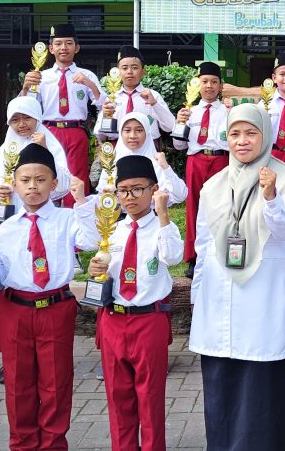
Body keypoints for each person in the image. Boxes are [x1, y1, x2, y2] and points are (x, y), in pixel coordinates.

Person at [188, 104, 285, 451]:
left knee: (262, 384)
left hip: (265, 296)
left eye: (251, 133)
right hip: (219, 294)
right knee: (222, 381)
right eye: (235, 133)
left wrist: (271, 198)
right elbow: (203, 243)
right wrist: (197, 297)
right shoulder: (214, 184)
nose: (242, 141)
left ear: (264, 136)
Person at [0, 143, 97, 451]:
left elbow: (91, 240)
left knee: (55, 381)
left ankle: (53, 443)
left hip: (55, 307)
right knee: (17, 382)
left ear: (54, 184)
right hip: (16, 308)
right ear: (14, 184)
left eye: (40, 180)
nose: (32, 187)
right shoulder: (5, 229)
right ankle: (22, 443)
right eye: (25, 180)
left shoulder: (68, 219)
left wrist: (81, 202)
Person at [85, 155, 183, 451]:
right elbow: (103, 272)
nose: (130, 197)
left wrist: (163, 214)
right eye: (123, 190)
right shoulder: (112, 231)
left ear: (153, 190)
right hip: (113, 320)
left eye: (138, 189)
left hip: (148, 320)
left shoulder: (163, 228)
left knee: (150, 399)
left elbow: (173, 257)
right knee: (118, 399)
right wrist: (94, 270)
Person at [0, 96, 73, 373]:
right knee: (8, 284)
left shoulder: (51, 143)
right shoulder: (6, 148)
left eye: (27, 118)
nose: (22, 125)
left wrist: (44, 150)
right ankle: (6, 350)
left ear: (38, 118)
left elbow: (63, 184)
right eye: (15, 120)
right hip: (8, 223)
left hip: (42, 221)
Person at [19, 23, 103, 206]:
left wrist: (90, 85)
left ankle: (76, 215)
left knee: (77, 175)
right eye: (58, 43)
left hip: (75, 131)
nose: (63, 47)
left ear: (77, 47)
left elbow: (104, 105)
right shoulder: (41, 76)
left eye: (69, 43)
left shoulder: (86, 75)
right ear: (51, 49)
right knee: (46, 171)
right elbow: (26, 107)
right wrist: (25, 88)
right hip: (48, 132)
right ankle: (46, 213)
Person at [173, 61, 230, 269]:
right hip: (196, 161)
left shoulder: (228, 111)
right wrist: (179, 122)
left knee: (222, 207)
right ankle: (193, 257)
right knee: (193, 208)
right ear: (198, 85)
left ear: (220, 86)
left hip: (221, 161)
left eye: (214, 82)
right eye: (205, 81)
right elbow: (178, 145)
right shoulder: (189, 112)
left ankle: (218, 252)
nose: (209, 86)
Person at [99, 111, 188, 207]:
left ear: (147, 133)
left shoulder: (157, 163)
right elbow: (102, 197)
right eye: (127, 130)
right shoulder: (112, 162)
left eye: (139, 130)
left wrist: (166, 167)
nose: (132, 136)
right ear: (121, 133)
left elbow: (180, 196)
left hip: (151, 214)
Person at [96, 45, 177, 142]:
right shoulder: (112, 98)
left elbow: (170, 126)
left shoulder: (153, 96)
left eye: (135, 68)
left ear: (143, 71)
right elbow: (100, 137)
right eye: (124, 68)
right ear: (118, 72)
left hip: (148, 147)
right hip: (118, 147)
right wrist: (105, 116)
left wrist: (155, 104)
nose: (129, 72)